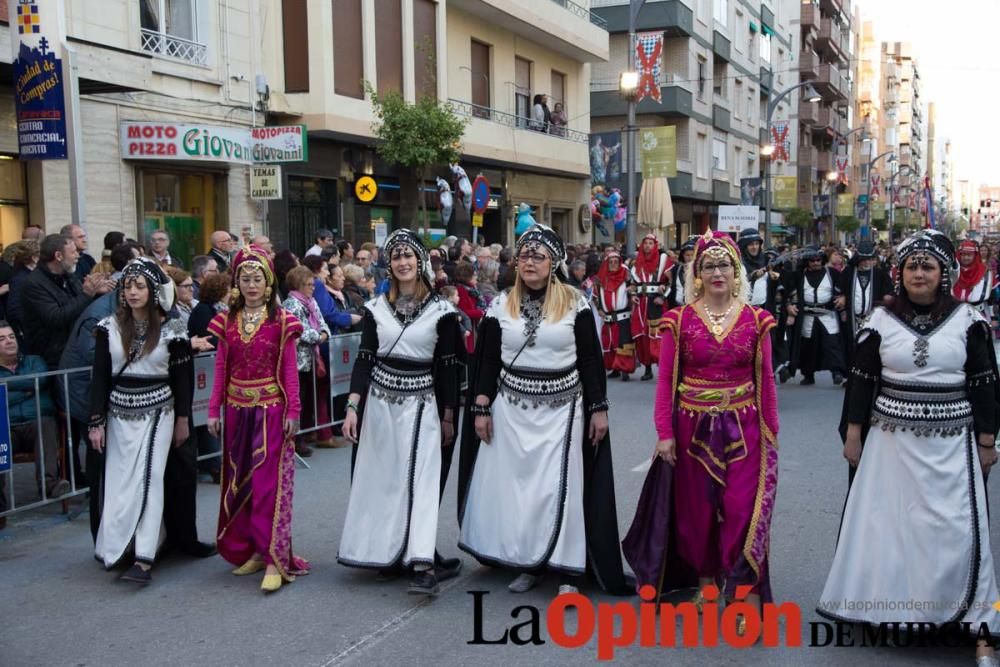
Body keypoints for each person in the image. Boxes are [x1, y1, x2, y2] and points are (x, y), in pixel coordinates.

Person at [819, 230, 1000, 666]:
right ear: (900, 274)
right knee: (891, 528)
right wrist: (853, 434)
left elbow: (985, 383)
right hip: (889, 446)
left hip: (952, 448)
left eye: (928, 266)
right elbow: (861, 381)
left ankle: (978, 624)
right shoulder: (880, 321)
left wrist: (988, 439)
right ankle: (896, 613)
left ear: (943, 274)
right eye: (912, 266)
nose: (919, 273)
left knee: (955, 529)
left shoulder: (968, 320)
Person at [458, 224, 631, 596]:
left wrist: (598, 409)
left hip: (562, 411)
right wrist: (481, 407)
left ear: (554, 262)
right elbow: (487, 360)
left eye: (538, 255)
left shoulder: (575, 303)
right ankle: (529, 563)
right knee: (520, 491)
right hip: (512, 411)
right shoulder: (500, 304)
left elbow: (589, 361)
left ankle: (568, 570)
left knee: (560, 489)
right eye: (524, 255)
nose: (529, 261)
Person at [623, 230, 779, 634]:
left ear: (735, 269)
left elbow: (766, 383)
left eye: (723, 264)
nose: (716, 272)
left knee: (743, 511)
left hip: (744, 425)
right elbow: (665, 382)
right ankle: (707, 587)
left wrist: (771, 433)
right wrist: (664, 433)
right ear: (697, 273)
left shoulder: (757, 320)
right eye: (708, 266)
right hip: (691, 426)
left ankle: (741, 593)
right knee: (698, 515)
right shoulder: (679, 321)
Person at [339, 229, 464, 596]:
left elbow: (449, 367)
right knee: (386, 481)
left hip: (422, 405)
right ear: (388, 265)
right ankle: (389, 552)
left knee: (422, 483)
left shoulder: (443, 312)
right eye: (396, 257)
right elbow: (364, 361)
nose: (403, 262)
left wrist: (448, 416)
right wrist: (352, 408)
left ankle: (423, 563)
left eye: (409, 255)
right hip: (379, 406)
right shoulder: (376, 309)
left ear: (420, 262)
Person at [206, 245, 309, 593]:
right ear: (235, 283)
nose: (251, 285)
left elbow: (289, 372)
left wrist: (293, 411)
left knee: (269, 487)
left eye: (257, 279)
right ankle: (252, 547)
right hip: (236, 412)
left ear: (268, 284)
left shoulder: (282, 322)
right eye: (244, 279)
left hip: (271, 412)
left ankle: (273, 558)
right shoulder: (225, 321)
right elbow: (221, 367)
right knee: (241, 485)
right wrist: (212, 409)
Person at [88, 259, 193, 584]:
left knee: (150, 478)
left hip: (159, 412)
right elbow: (100, 377)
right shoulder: (108, 327)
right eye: (128, 286)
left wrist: (183, 419)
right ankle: (118, 546)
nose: (132, 292)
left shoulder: (173, 330)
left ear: (152, 291)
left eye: (140, 286)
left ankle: (145, 556)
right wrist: (96, 422)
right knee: (120, 483)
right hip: (118, 415)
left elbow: (183, 378)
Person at [0, 321, 69, 522]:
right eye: (2, 339)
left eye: (11, 337)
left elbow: (40, 380)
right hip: (8, 428)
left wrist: (6, 389)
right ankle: (0, 508)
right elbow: (32, 385)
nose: (9, 342)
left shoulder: (34, 362)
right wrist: (27, 391)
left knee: (46, 423)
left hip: (35, 425)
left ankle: (49, 484)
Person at [22, 234, 115, 370]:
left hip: (74, 350)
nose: (78, 256)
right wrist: (87, 294)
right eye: (73, 252)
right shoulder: (34, 284)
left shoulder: (68, 275)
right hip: (52, 358)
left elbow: (80, 305)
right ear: (59, 256)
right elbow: (56, 317)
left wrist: (95, 292)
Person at [281, 265, 331, 459]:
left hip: (311, 358)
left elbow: (321, 320)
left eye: (313, 284)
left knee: (308, 398)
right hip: (297, 360)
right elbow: (297, 330)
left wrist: (324, 332)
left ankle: (304, 433)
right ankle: (296, 439)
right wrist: (319, 336)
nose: (312, 288)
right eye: (309, 284)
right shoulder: (291, 304)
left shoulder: (311, 302)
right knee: (297, 399)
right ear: (298, 285)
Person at [787, 247, 847, 386]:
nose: (815, 263)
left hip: (828, 314)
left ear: (823, 260)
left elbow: (844, 288)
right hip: (807, 316)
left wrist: (843, 298)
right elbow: (789, 290)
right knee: (808, 346)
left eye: (818, 260)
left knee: (832, 344)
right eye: (812, 260)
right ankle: (808, 375)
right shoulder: (800, 275)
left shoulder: (832, 273)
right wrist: (789, 306)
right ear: (807, 262)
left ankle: (837, 372)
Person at [837, 240, 891, 365]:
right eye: (864, 259)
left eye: (870, 259)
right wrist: (843, 308)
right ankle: (851, 378)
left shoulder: (880, 274)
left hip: (872, 319)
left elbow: (888, 292)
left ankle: (868, 378)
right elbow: (838, 292)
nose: (867, 262)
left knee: (871, 348)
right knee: (851, 347)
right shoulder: (849, 273)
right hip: (853, 318)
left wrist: (886, 300)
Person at [629, 234, 671, 381]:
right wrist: (633, 294)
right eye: (645, 243)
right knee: (643, 337)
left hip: (656, 303)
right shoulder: (636, 262)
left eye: (650, 243)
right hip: (640, 304)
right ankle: (647, 369)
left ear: (655, 245)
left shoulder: (663, 260)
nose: (647, 246)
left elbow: (671, 282)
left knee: (659, 336)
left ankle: (664, 369)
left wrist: (663, 296)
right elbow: (633, 284)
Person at [593, 250, 636, 381]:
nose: (613, 264)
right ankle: (614, 368)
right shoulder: (600, 278)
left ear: (619, 263)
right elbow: (596, 297)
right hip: (607, 317)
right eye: (610, 262)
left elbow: (634, 289)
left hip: (622, 316)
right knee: (610, 343)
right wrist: (599, 308)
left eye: (615, 262)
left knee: (622, 343)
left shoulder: (626, 276)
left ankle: (625, 369)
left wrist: (632, 292)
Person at [954, 239, 995, 319]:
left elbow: (991, 296)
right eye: (963, 255)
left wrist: (993, 317)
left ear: (975, 256)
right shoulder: (953, 272)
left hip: (978, 313)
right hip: (955, 314)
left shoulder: (985, 272)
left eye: (969, 255)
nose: (965, 258)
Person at [665, 237, 697, 309]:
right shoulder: (676, 269)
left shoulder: (699, 269)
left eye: (692, 255)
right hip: (677, 306)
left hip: (694, 307)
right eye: (687, 255)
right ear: (683, 256)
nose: (690, 257)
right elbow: (670, 284)